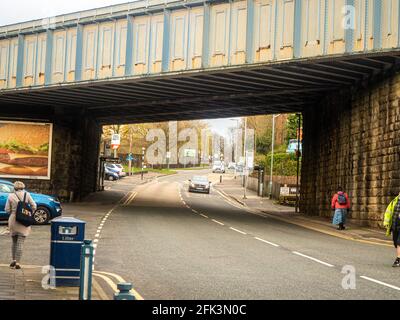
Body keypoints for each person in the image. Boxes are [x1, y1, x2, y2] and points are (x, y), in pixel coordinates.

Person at [5, 181, 37, 270]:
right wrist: (29, 213)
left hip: (13, 220)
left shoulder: (11, 196)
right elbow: (34, 205)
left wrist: (14, 212)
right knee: (20, 242)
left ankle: (14, 260)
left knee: (14, 242)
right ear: (23, 187)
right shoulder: (27, 194)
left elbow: (7, 209)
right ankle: (18, 263)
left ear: (14, 187)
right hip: (24, 220)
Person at [384, 192, 400, 267]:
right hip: (394, 225)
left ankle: (398, 259)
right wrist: (386, 222)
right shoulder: (394, 201)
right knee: (395, 242)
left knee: (399, 242)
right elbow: (388, 212)